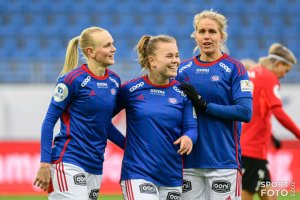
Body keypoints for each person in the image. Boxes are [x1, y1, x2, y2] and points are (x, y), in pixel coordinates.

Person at [33, 26, 125, 200]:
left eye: (112, 44)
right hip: (68, 161)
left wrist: (131, 147)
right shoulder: (71, 80)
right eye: (107, 45)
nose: (113, 49)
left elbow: (104, 125)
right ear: (90, 51)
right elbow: (48, 122)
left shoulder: (114, 81)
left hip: (95, 165)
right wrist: (45, 162)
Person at [176, 10, 253, 200]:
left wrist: (205, 106)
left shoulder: (235, 68)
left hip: (223, 162)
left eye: (212, 31)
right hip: (189, 162)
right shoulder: (182, 70)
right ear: (195, 35)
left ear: (222, 36)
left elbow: (245, 112)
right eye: (201, 31)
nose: (207, 36)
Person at [114, 35, 198, 200]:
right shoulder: (130, 90)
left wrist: (188, 137)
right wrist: (126, 144)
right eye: (169, 56)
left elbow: (191, 127)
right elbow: (103, 122)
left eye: (176, 55)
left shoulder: (184, 93)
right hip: (138, 173)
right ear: (152, 61)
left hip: (171, 176)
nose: (175, 61)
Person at [241, 43, 300, 200]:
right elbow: (278, 112)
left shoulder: (253, 73)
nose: (284, 75)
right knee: (246, 195)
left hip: (250, 147)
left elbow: (258, 113)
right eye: (285, 70)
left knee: (269, 196)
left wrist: (272, 137)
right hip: (252, 150)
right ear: (279, 64)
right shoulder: (269, 78)